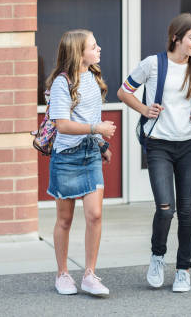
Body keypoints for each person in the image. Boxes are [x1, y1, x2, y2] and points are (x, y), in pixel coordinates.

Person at [117, 13, 191, 293]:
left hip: (187, 146)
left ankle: (183, 269)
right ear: (177, 38)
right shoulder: (153, 64)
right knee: (165, 208)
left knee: (187, 211)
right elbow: (124, 92)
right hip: (158, 143)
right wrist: (144, 109)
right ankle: (157, 257)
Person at [46, 29, 117, 297]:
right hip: (66, 157)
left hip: (90, 153)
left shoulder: (93, 78)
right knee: (65, 220)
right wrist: (97, 128)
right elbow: (62, 125)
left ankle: (89, 274)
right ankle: (62, 274)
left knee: (95, 215)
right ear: (78, 52)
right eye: (93, 46)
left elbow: (89, 114)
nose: (99, 49)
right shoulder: (61, 83)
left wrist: (100, 145)